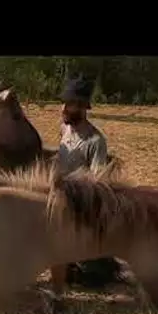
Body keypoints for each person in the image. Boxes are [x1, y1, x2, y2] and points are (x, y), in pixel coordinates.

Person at [55, 75, 123, 290]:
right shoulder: (64, 129)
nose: (64, 108)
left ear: (83, 107)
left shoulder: (96, 141)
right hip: (56, 193)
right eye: (64, 102)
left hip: (76, 202)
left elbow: (96, 182)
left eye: (70, 104)